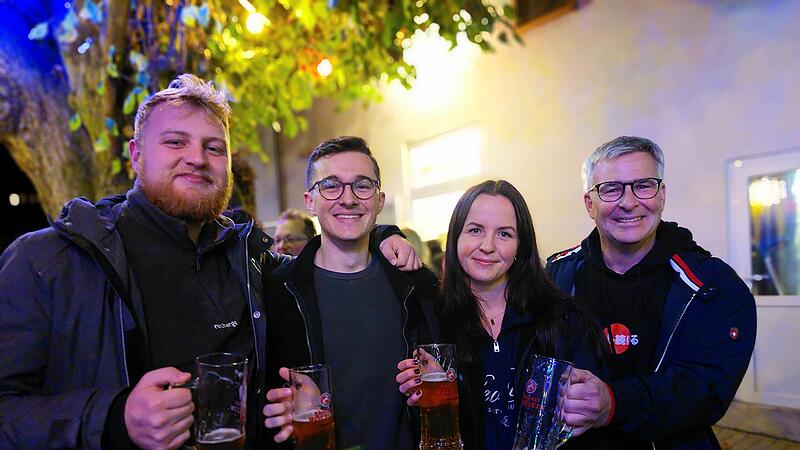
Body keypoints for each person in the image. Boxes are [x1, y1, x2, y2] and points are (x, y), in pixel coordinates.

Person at [0, 76, 418, 450]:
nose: (197, 158)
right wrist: (113, 417)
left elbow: (326, 252)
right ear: (136, 155)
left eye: (213, 148)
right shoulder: (49, 262)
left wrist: (381, 234)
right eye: (175, 142)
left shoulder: (248, 260)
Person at [546, 136, 757, 449]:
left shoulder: (712, 287)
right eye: (611, 188)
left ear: (661, 195)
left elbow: (705, 390)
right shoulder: (556, 276)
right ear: (590, 204)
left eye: (643, 185)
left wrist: (613, 402)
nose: (629, 202)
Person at [396, 180, 607, 450]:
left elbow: (590, 422)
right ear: (455, 238)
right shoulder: (432, 321)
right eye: (475, 230)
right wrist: (420, 399)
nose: (487, 245)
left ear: (521, 246)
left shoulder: (561, 317)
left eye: (504, 234)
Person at [262, 136, 440, 450]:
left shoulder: (415, 285)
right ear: (310, 201)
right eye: (331, 185)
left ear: (379, 200)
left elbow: (457, 371)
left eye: (362, 185)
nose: (348, 199)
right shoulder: (278, 294)